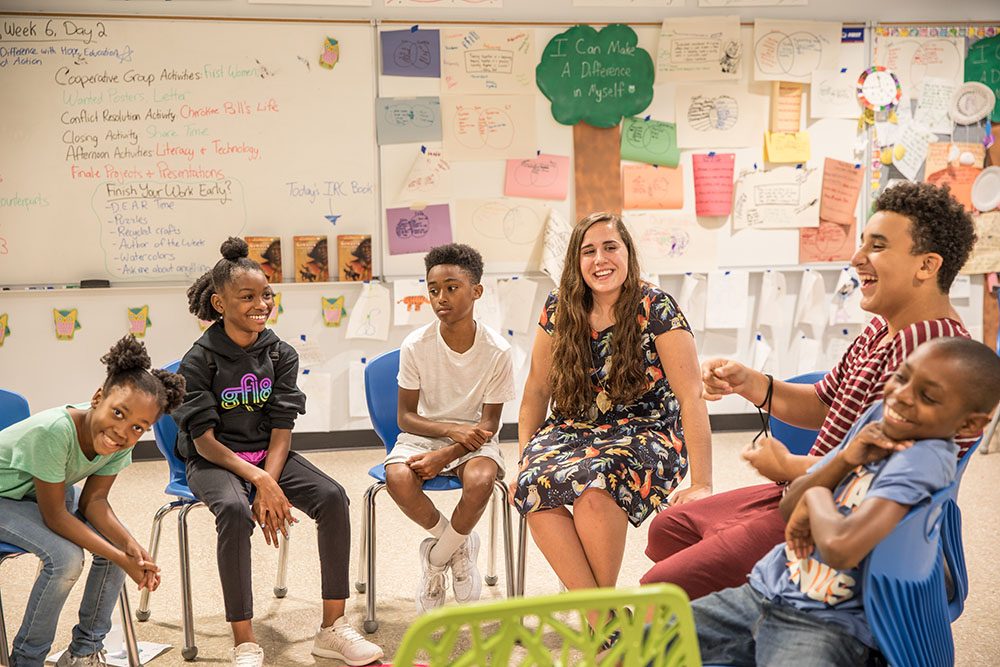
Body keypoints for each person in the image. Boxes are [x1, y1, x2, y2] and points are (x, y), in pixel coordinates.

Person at [643, 181, 979, 599]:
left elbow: (877, 474)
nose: (857, 259)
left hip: (841, 514)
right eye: (862, 244)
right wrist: (752, 383)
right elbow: (824, 402)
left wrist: (786, 468)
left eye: (876, 247)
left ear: (926, 266)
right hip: (807, 487)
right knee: (669, 529)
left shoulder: (933, 360)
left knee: (661, 586)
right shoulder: (882, 327)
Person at [691, 337, 1000, 666]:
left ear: (969, 424)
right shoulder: (879, 416)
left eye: (927, 396)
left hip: (828, 622)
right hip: (770, 588)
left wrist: (816, 494)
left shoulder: (923, 460)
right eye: (901, 376)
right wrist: (843, 461)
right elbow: (788, 506)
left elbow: (840, 547)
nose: (902, 396)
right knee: (640, 641)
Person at [173, 237, 382, 667]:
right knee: (232, 510)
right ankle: (244, 640)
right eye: (246, 296)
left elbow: (283, 429)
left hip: (267, 454)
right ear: (219, 302)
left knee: (332, 496)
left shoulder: (280, 353)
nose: (261, 303)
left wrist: (269, 474)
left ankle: (332, 628)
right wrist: (261, 482)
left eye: (266, 294)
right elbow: (203, 442)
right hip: (214, 459)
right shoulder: (198, 361)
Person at [512, 212, 712, 598]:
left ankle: (597, 624)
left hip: (646, 431)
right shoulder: (558, 308)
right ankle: (603, 620)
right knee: (532, 485)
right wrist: (524, 458)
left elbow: (692, 396)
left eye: (610, 247)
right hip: (572, 429)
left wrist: (702, 483)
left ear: (627, 253)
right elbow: (536, 392)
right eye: (588, 251)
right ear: (576, 261)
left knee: (596, 485)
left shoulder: (656, 307)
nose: (600, 259)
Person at [0, 335, 185, 667]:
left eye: (138, 427)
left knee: (117, 548)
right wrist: (120, 553)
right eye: (117, 412)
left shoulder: (121, 441)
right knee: (67, 559)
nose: (122, 431)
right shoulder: (55, 431)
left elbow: (95, 501)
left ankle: (84, 651)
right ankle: (26, 660)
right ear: (98, 397)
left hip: (32, 493)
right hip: (6, 497)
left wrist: (129, 546)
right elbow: (56, 515)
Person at [385, 243, 516, 613]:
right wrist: (447, 432)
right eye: (433, 289)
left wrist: (449, 451)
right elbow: (405, 417)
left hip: (475, 440)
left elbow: (489, 423)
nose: (441, 297)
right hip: (422, 433)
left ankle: (437, 558)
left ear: (476, 291)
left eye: (452, 287)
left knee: (480, 480)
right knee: (396, 478)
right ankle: (458, 546)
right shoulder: (416, 345)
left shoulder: (497, 350)